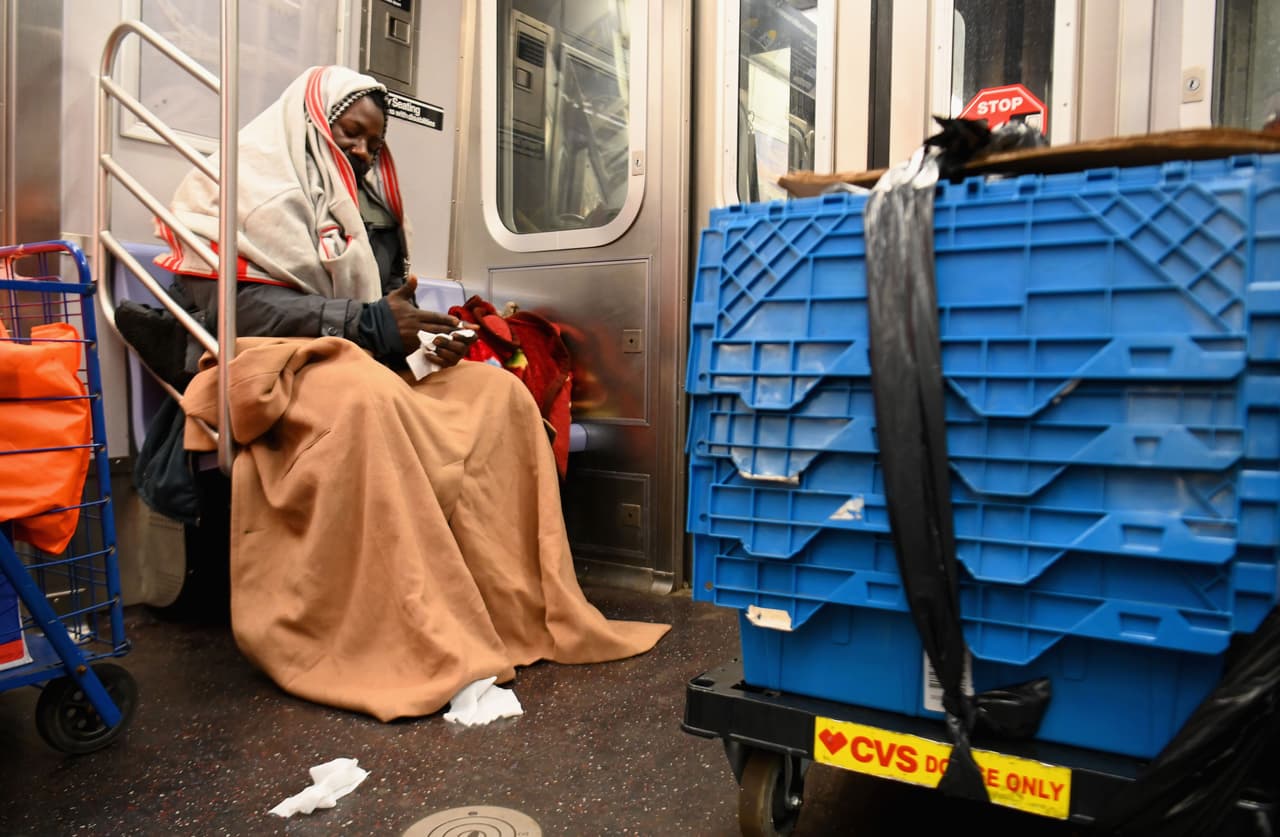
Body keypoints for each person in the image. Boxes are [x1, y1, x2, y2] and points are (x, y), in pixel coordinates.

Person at [153, 65, 669, 722]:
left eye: (375, 142)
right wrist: (364, 324)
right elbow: (221, 307)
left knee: (494, 393)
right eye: (353, 134)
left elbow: (378, 309)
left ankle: (511, 605)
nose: (365, 153)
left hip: (352, 355)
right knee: (369, 399)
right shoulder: (233, 188)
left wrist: (421, 342)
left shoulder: (359, 203)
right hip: (269, 361)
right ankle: (414, 629)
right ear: (311, 121)